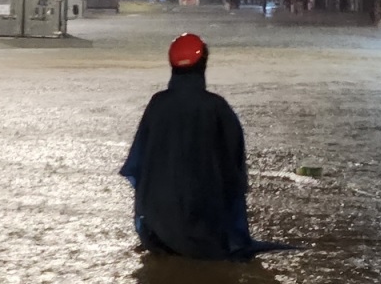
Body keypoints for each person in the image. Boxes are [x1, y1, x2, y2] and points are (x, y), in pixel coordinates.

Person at [119, 33, 292, 261]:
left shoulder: (157, 103)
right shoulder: (217, 107)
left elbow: (138, 164)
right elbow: (234, 168)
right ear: (203, 65)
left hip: (157, 232)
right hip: (203, 231)